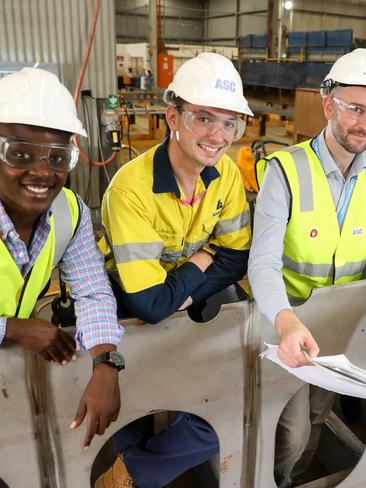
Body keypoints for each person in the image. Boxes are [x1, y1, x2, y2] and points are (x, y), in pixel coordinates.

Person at [249, 48, 366, 488]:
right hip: (289, 323)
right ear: (329, 104)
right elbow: (263, 263)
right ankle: (279, 478)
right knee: (290, 431)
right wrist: (287, 321)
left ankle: (296, 477)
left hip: (342, 324)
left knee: (317, 414)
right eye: (355, 109)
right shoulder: (286, 171)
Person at [95, 53, 252, 488]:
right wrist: (204, 260)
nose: (218, 136)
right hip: (124, 298)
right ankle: (127, 466)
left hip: (186, 293)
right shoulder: (131, 189)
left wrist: (180, 291)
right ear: (172, 117)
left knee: (218, 402)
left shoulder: (226, 177)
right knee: (134, 400)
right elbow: (146, 303)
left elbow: (237, 256)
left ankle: (135, 470)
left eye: (229, 124)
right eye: (204, 118)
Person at [0, 68, 125, 450]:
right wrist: (13, 329)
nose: (41, 171)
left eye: (58, 157)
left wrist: (105, 362)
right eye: (20, 154)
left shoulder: (71, 211)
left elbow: (92, 291)